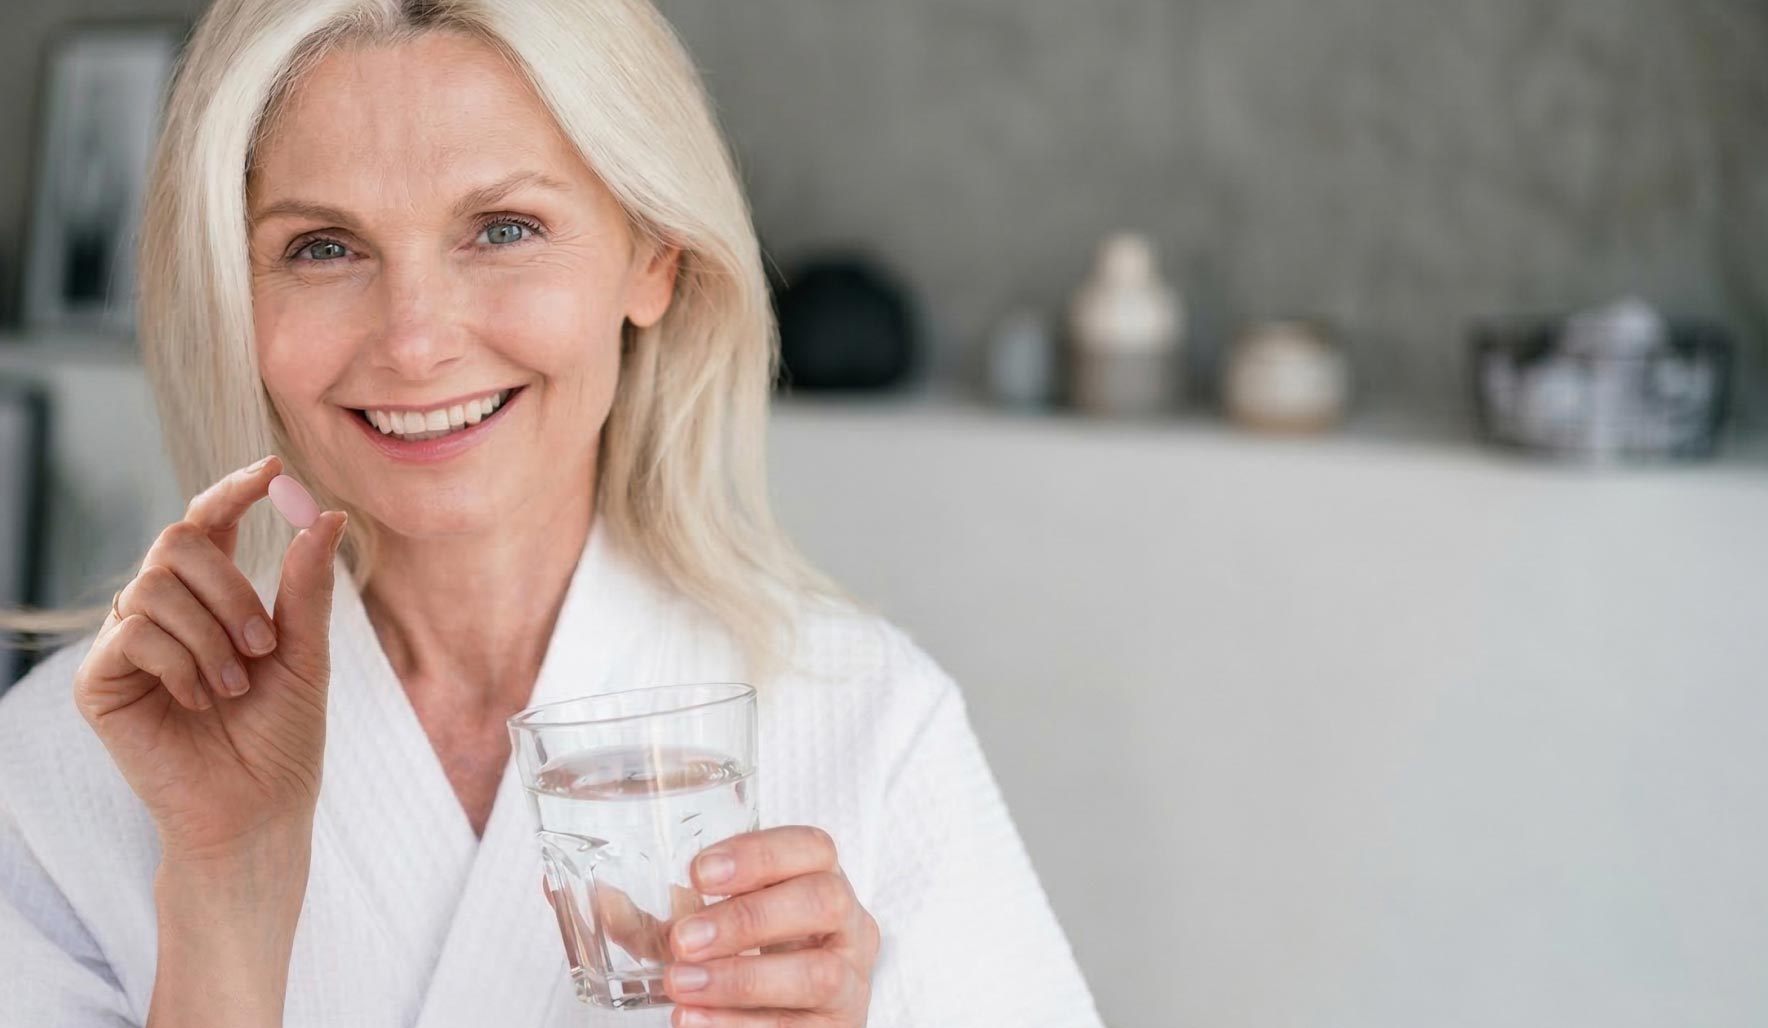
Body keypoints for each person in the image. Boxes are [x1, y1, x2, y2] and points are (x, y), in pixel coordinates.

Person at [0, 1, 1104, 1026]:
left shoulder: (866, 724)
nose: (417, 338)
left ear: (654, 258)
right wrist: (225, 898)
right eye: (323, 248)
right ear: (235, 296)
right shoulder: (67, 767)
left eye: (504, 228)